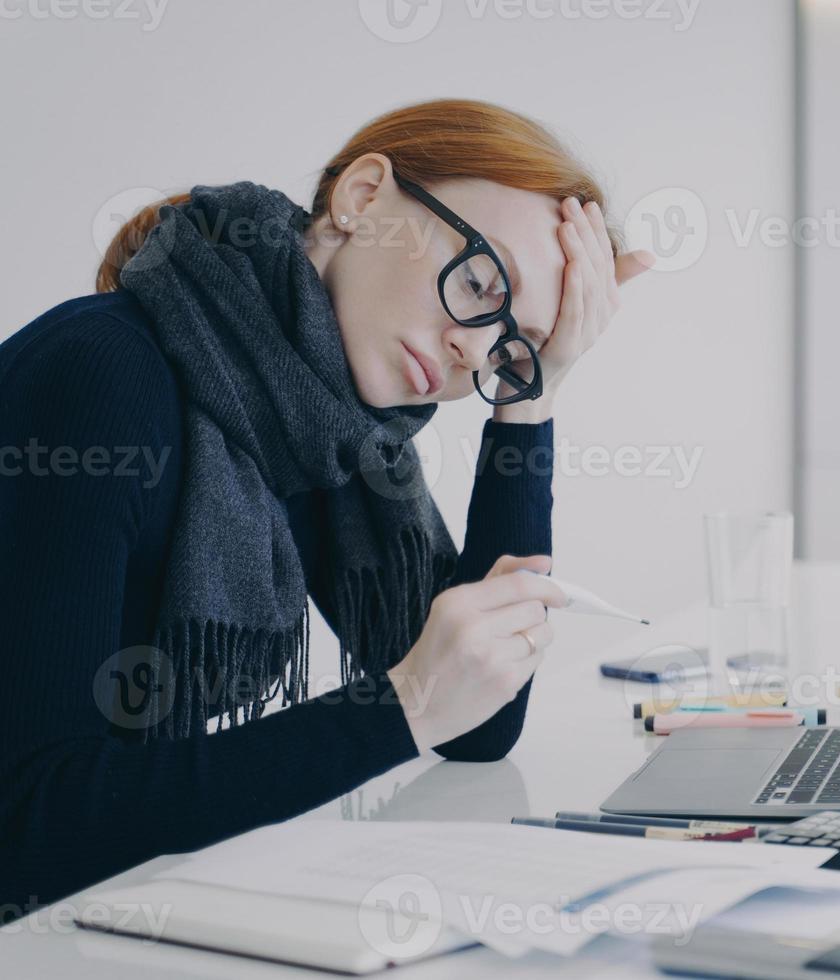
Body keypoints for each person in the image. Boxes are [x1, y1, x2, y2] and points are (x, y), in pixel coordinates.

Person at [0, 97, 652, 919]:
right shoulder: (99, 376)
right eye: (483, 284)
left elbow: (474, 723)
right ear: (363, 197)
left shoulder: (326, 430)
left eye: (511, 348)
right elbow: (26, 820)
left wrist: (533, 397)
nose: (475, 352)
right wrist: (402, 704)